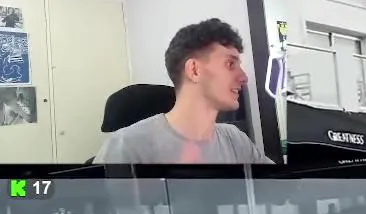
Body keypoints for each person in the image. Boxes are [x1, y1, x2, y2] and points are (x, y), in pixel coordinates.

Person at [95, 19, 273, 164]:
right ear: (194, 70)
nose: (244, 77)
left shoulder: (236, 140)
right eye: (230, 64)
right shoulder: (126, 149)